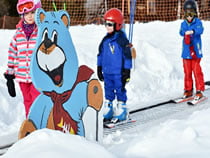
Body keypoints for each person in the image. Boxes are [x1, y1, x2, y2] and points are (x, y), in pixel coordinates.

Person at [4, 0, 42, 117]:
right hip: (22, 76)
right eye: (26, 14)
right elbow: (12, 53)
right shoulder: (18, 34)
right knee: (27, 101)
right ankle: (29, 124)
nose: (29, 16)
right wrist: (10, 75)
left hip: (37, 75)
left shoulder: (41, 32)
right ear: (22, 15)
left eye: (32, 12)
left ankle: (38, 125)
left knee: (36, 100)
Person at [97, 8, 132, 122]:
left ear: (118, 25)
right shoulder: (105, 40)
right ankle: (109, 108)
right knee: (108, 90)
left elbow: (127, 57)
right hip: (107, 72)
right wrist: (99, 67)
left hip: (118, 73)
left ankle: (122, 108)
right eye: (105, 23)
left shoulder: (122, 40)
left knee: (119, 89)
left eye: (110, 24)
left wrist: (127, 71)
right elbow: (100, 54)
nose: (107, 27)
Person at [179, 0, 205, 100]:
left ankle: (199, 90)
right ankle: (188, 89)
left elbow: (200, 30)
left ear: (194, 13)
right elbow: (181, 32)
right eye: (187, 13)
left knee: (196, 70)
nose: (189, 17)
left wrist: (193, 31)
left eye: (191, 13)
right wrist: (185, 32)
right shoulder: (183, 24)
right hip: (186, 53)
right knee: (187, 72)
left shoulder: (198, 22)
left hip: (195, 52)